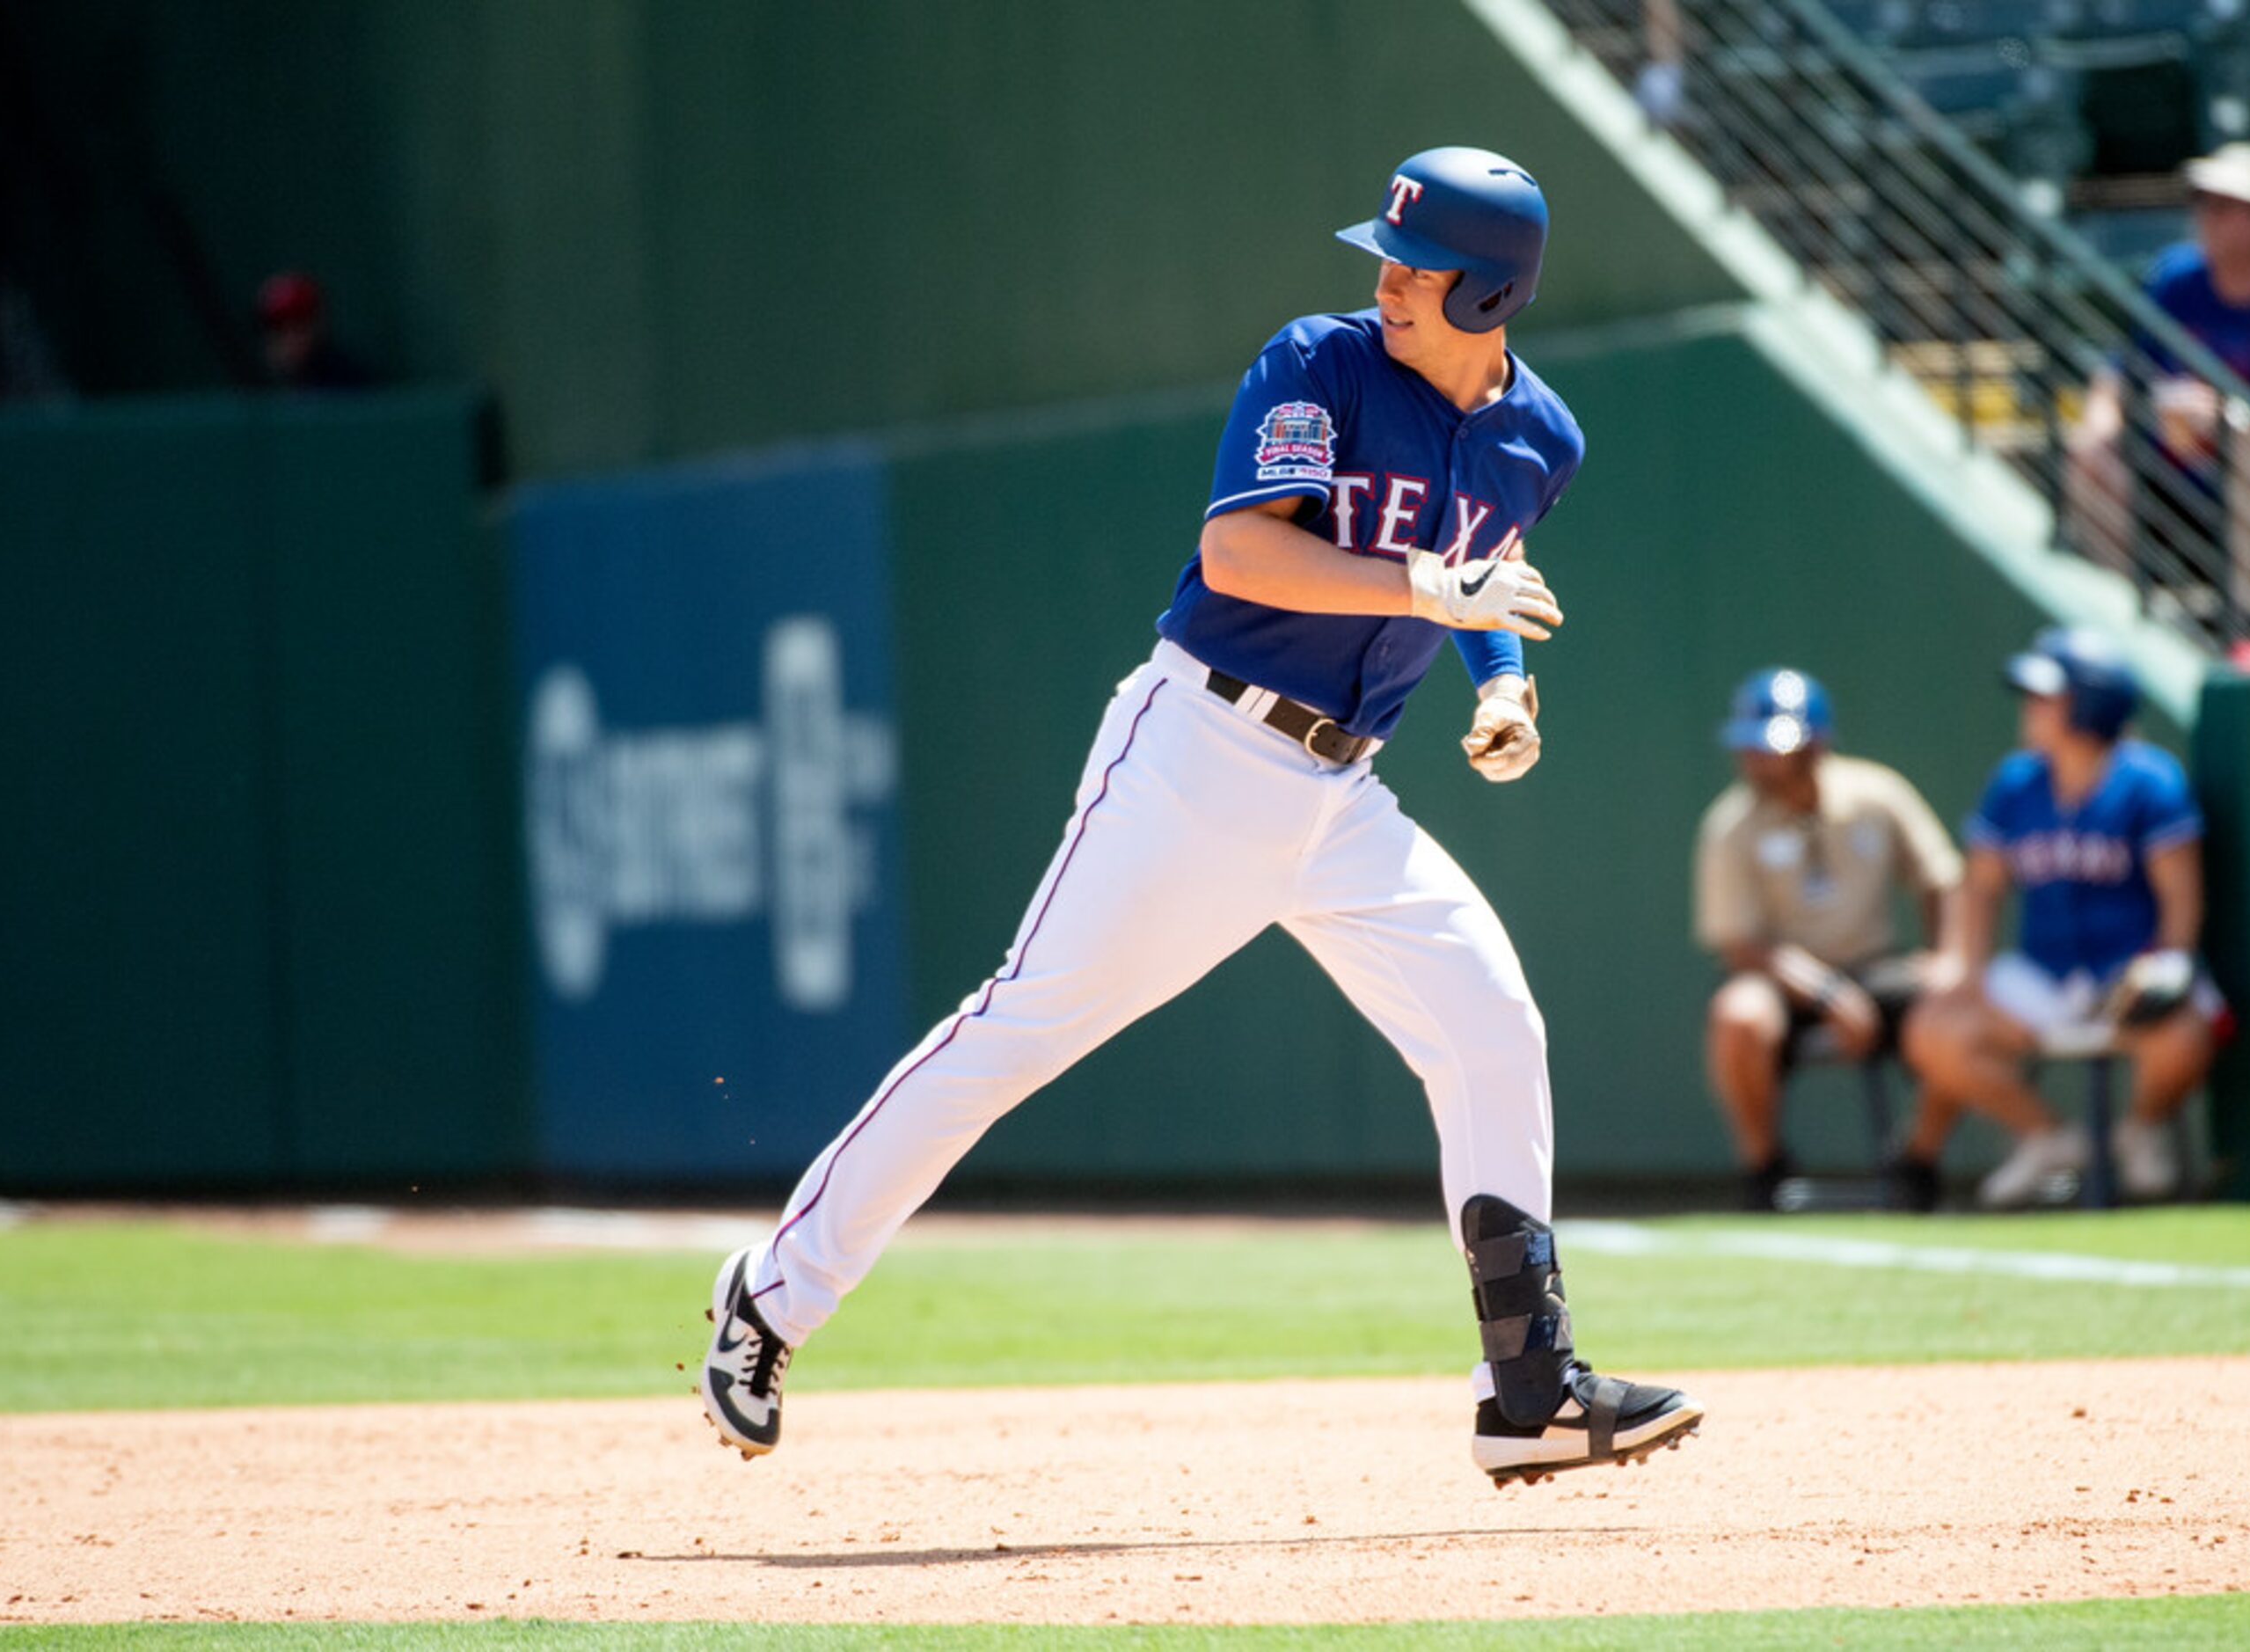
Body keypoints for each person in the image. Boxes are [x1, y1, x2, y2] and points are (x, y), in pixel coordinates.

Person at [699, 146, 1704, 1488]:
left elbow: (1489, 573)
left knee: (1486, 1016)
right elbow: (1244, 551)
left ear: (1492, 293)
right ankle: (770, 1296)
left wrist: (1506, 682)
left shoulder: (1543, 437)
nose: (1388, 280)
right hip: (1198, 753)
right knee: (1015, 1034)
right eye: (1387, 257)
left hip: (1342, 793)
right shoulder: (1318, 360)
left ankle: (1524, 1385)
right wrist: (1429, 588)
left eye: (1419, 266)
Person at [1903, 627, 2224, 1207]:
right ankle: (2049, 1138)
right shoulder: (2016, 782)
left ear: (2089, 705)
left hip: (2127, 973)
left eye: (2047, 696)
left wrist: (2170, 962)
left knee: (2186, 1033)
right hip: (2044, 976)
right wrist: (1963, 968)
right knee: (1933, 1029)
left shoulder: (2150, 781)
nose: (2031, 708)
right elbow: (1980, 890)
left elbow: (2181, 896)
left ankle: (2140, 1130)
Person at [1692, 668, 1964, 1212]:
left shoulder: (1876, 793)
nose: (1754, 759)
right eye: (1749, 745)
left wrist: (1948, 958)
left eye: (1771, 747)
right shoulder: (1730, 824)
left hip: (1874, 966)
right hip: (1782, 983)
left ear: (1815, 746)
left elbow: (1941, 876)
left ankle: (1919, 1159)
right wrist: (1824, 993)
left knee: (1958, 1008)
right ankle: (1765, 1167)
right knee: (1737, 1015)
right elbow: (1739, 944)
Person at [2064, 143, 2250, 629]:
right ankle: (2122, 615)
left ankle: (2240, 619)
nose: (2207, 217)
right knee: (2089, 448)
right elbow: (2125, 369)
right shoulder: (2176, 277)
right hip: (2176, 474)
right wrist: (2103, 414)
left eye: (2224, 206)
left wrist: (2228, 413)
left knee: (2247, 434)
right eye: (2202, 202)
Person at [255, 270, 376, 391]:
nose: (289, 339)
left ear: (316, 327)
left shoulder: (347, 381)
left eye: (297, 327)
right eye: (278, 328)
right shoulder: (252, 382)